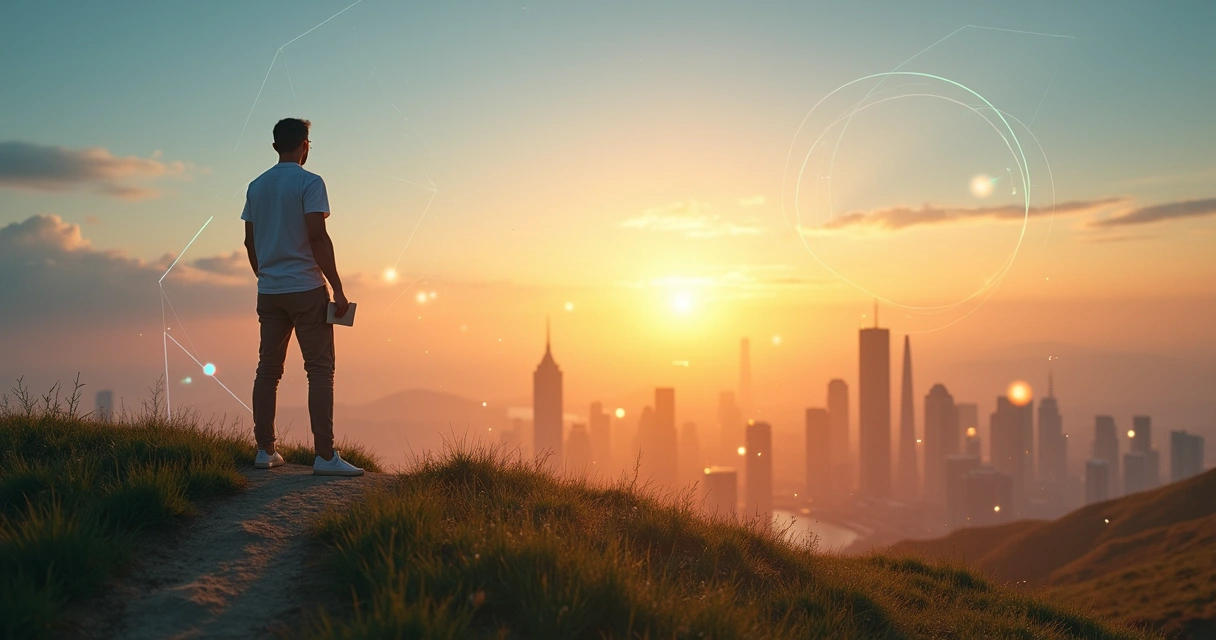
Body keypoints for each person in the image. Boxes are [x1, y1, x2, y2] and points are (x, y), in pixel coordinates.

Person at [241, 117, 363, 476]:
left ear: (276, 145)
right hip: (307, 288)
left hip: (270, 290)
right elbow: (317, 237)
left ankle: (265, 451)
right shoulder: (310, 182)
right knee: (320, 371)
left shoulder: (256, 186)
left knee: (268, 370)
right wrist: (338, 287)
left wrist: (264, 276)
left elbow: (250, 241)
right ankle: (325, 456)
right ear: (305, 145)